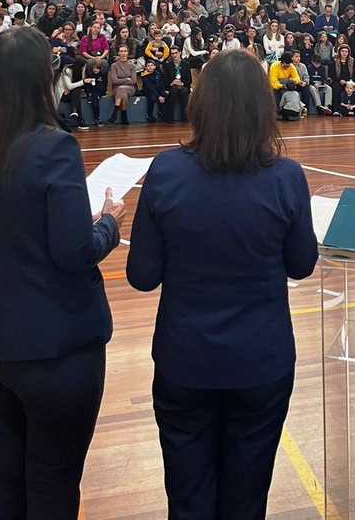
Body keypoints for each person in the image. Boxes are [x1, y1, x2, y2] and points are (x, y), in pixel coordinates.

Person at [126, 50, 318, 520]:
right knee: (246, 500)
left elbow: (142, 276)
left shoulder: (166, 170)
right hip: (261, 359)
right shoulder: (286, 177)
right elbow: (301, 265)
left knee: (188, 497)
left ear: (200, 104)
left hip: (185, 358)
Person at [0, 27, 125, 519]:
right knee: (52, 485)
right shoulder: (54, 147)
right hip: (52, 351)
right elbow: (74, 252)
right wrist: (108, 224)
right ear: (43, 80)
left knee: (5, 475)